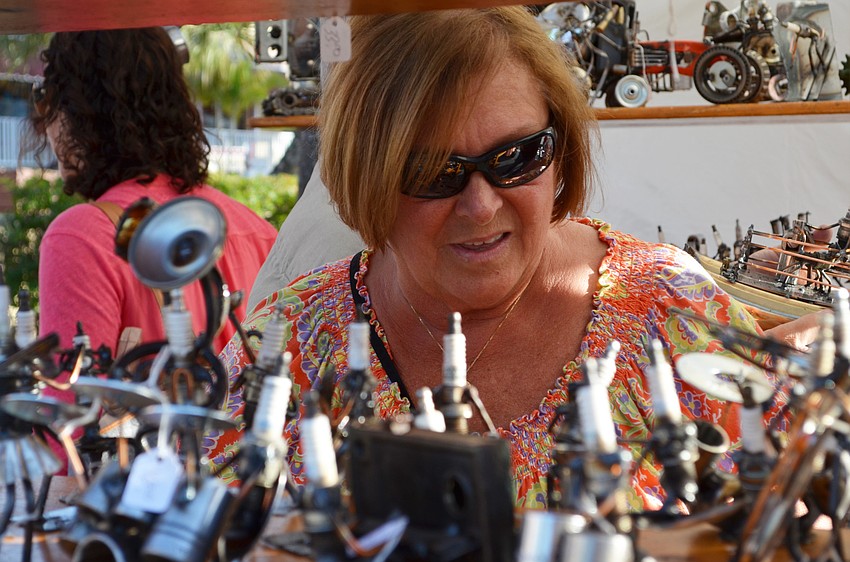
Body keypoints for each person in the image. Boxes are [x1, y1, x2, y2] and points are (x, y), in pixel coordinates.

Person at [211, 7, 799, 510]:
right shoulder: (294, 342)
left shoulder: (668, 312)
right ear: (367, 175)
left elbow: (797, 503)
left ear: (560, 148)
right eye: (434, 172)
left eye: (517, 156)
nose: (482, 205)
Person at [29, 28, 277, 385]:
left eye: (47, 97)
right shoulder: (257, 231)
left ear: (81, 111)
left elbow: (71, 421)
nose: (47, 125)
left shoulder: (82, 236)